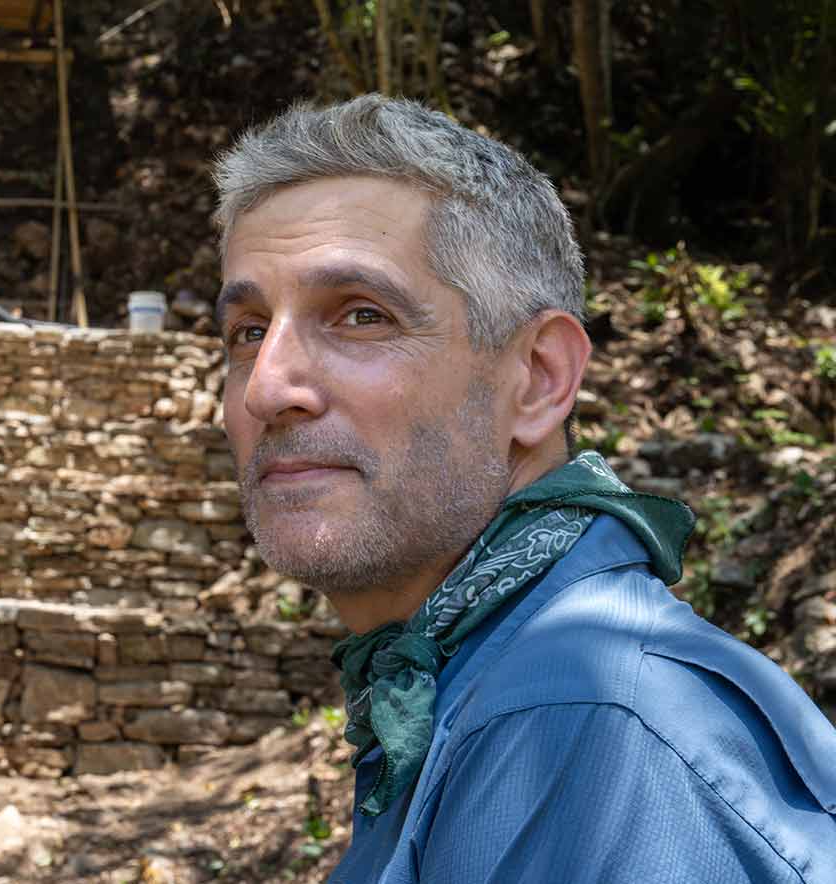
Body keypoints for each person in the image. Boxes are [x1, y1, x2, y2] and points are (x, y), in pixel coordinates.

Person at [209, 94, 836, 883]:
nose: (267, 388)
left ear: (538, 379)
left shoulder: (584, 724)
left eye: (362, 316)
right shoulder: (470, 676)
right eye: (248, 331)